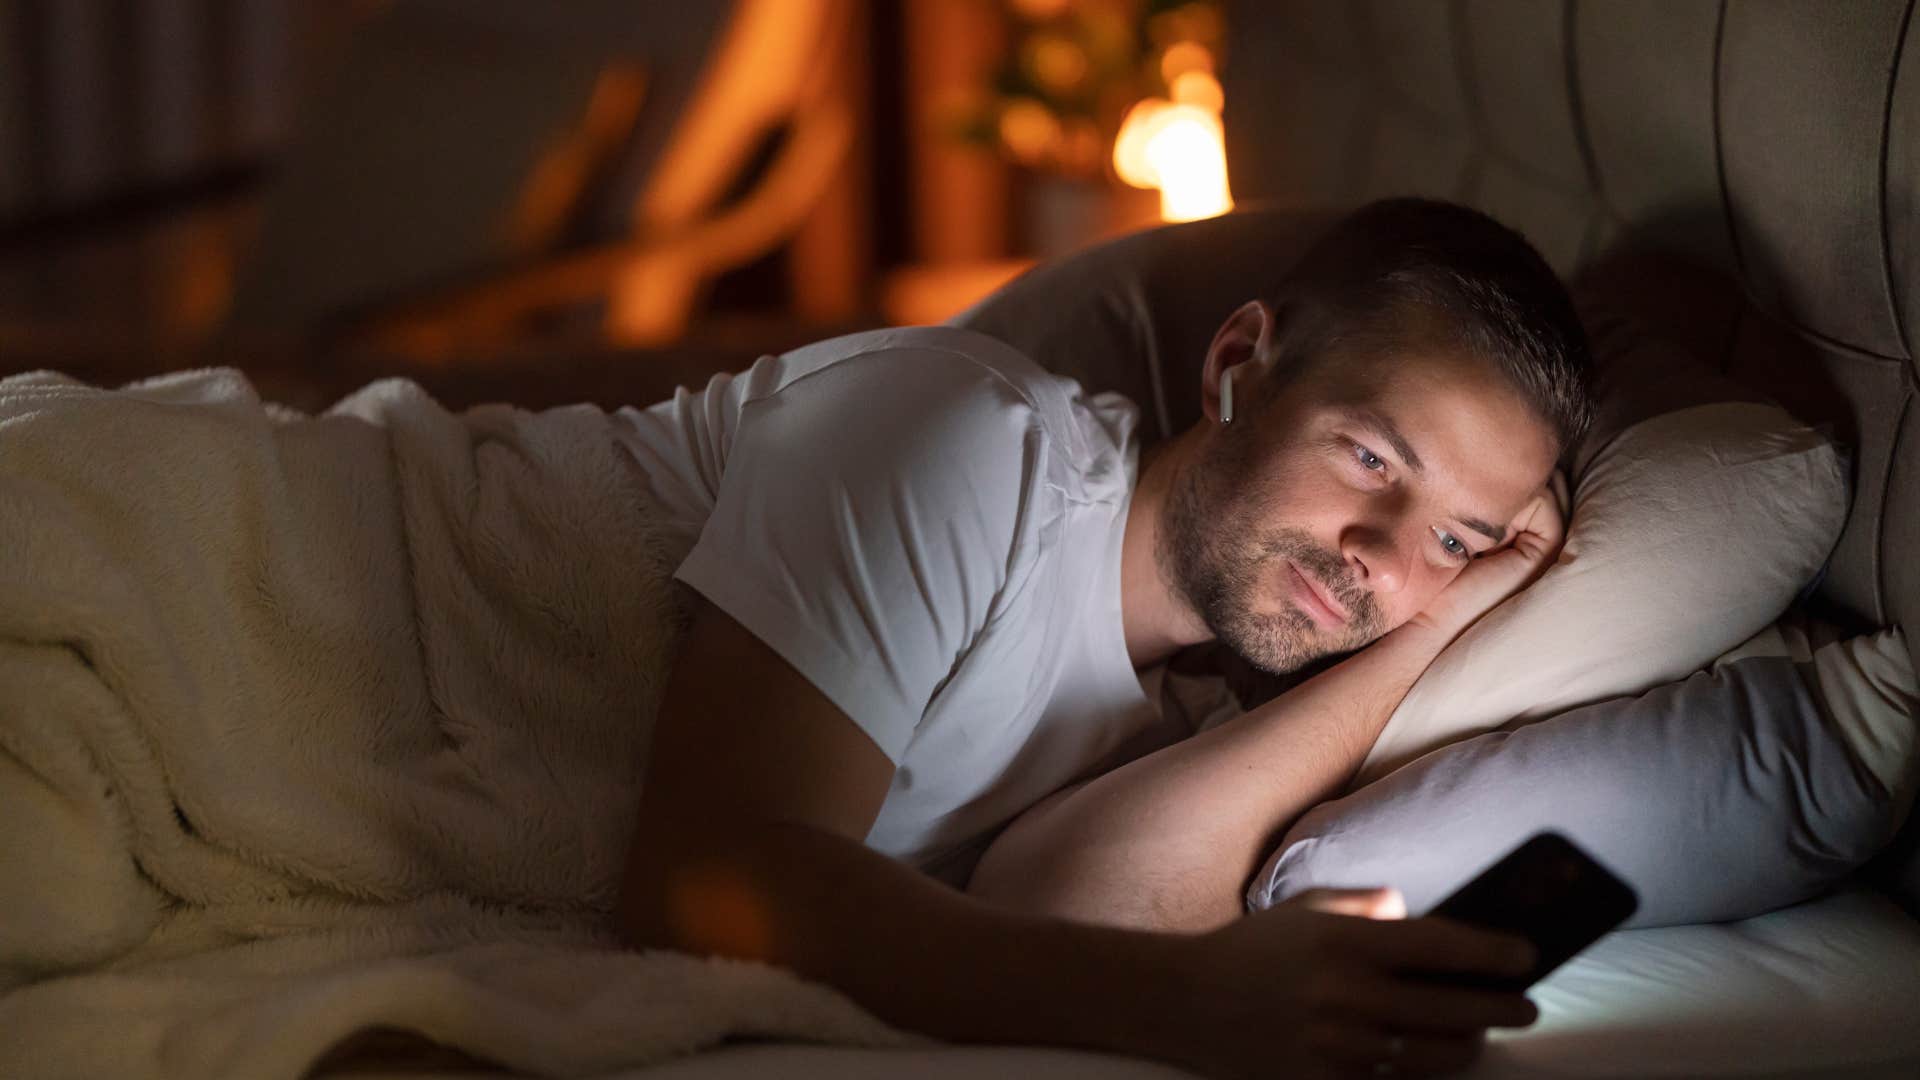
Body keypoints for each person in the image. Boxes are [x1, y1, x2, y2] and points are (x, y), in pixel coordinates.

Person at [613, 197, 1594, 1080]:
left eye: (1454, 539)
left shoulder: (1197, 718)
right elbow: (699, 881)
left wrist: (1440, 625)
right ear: (1237, 367)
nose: (1382, 557)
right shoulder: (971, 441)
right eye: (1370, 456)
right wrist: (1193, 998)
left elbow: (1068, 912)